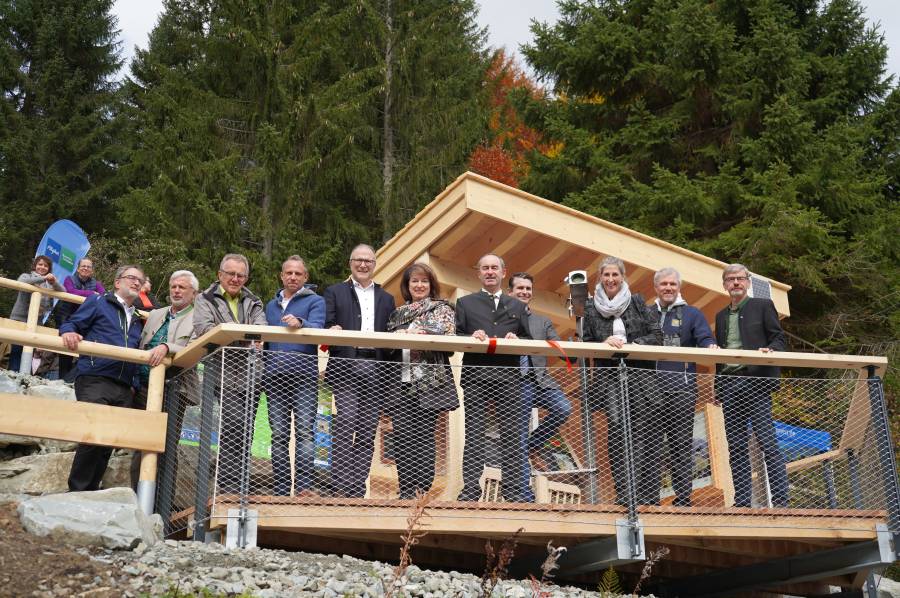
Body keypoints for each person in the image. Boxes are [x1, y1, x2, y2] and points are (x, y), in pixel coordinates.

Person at [60, 265, 168, 491]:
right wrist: (68, 332)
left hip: (124, 385)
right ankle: (77, 490)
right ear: (117, 282)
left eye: (140, 280)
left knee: (110, 441)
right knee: (93, 434)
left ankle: (91, 490)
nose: (136, 282)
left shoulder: (138, 318)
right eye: (131, 278)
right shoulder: (98, 302)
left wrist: (134, 386)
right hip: (95, 377)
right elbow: (71, 322)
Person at [582, 256, 662, 505]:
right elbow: (586, 343)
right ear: (600, 278)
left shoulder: (637, 301)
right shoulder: (590, 306)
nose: (611, 279)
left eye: (615, 275)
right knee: (617, 432)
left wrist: (635, 344)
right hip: (610, 378)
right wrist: (602, 343)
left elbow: (657, 334)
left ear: (622, 277)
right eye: (606, 275)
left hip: (639, 376)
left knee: (640, 431)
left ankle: (642, 494)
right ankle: (625, 494)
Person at [455, 254, 533, 502]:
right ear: (478, 273)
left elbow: (531, 340)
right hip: (477, 376)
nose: (489, 272)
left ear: (503, 273)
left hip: (509, 378)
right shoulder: (465, 303)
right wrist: (470, 336)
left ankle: (513, 494)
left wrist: (518, 341)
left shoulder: (518, 306)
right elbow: (455, 336)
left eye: (494, 268)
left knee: (511, 435)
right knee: (474, 435)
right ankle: (470, 491)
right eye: (485, 268)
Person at [323, 244, 395, 498]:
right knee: (346, 421)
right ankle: (339, 484)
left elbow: (391, 334)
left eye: (368, 261)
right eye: (358, 260)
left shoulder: (387, 298)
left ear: (375, 265)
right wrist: (332, 329)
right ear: (350, 263)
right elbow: (326, 322)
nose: (363, 265)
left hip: (376, 366)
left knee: (367, 429)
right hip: (346, 364)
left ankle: (355, 486)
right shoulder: (334, 291)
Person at [715, 263, 789, 508]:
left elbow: (779, 337)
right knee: (736, 447)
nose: (735, 283)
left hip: (755, 382)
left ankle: (780, 500)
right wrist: (718, 387)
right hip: (729, 385)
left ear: (747, 282)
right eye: (730, 279)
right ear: (724, 284)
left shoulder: (762, 306)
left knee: (767, 442)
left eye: (740, 279)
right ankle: (743, 502)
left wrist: (772, 350)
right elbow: (721, 354)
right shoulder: (721, 315)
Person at [193, 253, 267, 493]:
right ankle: (228, 484)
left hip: (251, 375)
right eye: (231, 274)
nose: (235, 279)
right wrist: (246, 340)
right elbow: (206, 330)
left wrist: (236, 337)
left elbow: (261, 329)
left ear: (246, 277)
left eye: (240, 275)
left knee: (246, 429)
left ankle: (239, 484)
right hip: (222, 373)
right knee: (233, 423)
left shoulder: (254, 300)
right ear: (220, 275)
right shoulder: (204, 299)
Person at [386, 262, 459, 499]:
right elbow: (387, 344)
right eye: (414, 281)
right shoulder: (397, 313)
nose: (419, 285)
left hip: (430, 382)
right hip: (400, 381)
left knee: (424, 434)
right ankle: (406, 489)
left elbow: (447, 331)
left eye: (424, 281)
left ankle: (420, 489)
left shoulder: (443, 308)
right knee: (402, 434)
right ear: (407, 286)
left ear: (431, 285)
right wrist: (399, 336)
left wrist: (415, 332)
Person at [650, 267, 717, 506]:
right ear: (655, 288)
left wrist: (710, 346)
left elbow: (705, 338)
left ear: (679, 287)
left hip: (682, 389)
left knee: (680, 443)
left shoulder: (692, 313)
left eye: (672, 284)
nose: (668, 288)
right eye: (663, 284)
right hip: (651, 391)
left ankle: (683, 497)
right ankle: (650, 497)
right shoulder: (647, 313)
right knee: (651, 444)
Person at [130, 270, 199, 490]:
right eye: (173, 287)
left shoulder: (200, 318)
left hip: (174, 388)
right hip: (141, 387)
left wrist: (168, 347)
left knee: (166, 448)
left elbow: (196, 349)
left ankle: (162, 507)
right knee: (139, 445)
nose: (176, 291)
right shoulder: (155, 314)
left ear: (194, 293)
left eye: (182, 287)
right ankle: (137, 500)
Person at [263, 256, 325, 497]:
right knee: (278, 434)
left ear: (305, 277)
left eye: (298, 274)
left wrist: (302, 322)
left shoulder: (315, 300)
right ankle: (280, 489)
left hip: (304, 377)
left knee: (305, 432)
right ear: (281, 276)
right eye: (288, 273)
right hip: (274, 376)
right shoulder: (270, 305)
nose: (292, 277)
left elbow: (319, 328)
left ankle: (303, 488)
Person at [507, 272, 572, 473]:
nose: (524, 292)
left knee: (563, 408)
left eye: (528, 289)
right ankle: (523, 490)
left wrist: (576, 343)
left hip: (541, 381)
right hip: (516, 382)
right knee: (518, 433)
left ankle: (533, 445)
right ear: (510, 293)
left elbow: (559, 347)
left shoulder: (542, 321)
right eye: (520, 288)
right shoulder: (500, 319)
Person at [8, 255, 64, 372]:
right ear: (35, 266)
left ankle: (25, 379)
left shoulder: (49, 283)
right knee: (17, 350)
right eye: (40, 264)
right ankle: (13, 375)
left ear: (49, 269)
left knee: (30, 351)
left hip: (37, 321)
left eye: (45, 265)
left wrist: (54, 282)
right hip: (20, 318)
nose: (42, 267)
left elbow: (63, 291)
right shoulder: (27, 276)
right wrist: (43, 278)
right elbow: (21, 281)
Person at [55, 258, 106, 380]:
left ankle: (73, 380)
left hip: (85, 321)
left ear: (92, 270)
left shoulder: (96, 283)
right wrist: (92, 294)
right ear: (78, 268)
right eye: (83, 266)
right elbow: (71, 291)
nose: (86, 268)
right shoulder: (69, 279)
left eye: (89, 267)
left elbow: (103, 295)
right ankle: (62, 379)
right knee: (65, 350)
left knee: (83, 350)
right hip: (66, 317)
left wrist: (86, 293)